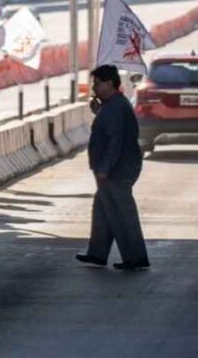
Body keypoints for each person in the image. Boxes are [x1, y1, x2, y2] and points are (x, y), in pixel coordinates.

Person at [76, 65, 149, 270]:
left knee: (121, 213)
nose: (95, 87)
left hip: (118, 169)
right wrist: (99, 111)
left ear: (109, 83)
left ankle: (136, 257)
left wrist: (105, 168)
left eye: (98, 83)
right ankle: (97, 253)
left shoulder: (116, 106)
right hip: (115, 167)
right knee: (103, 210)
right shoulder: (112, 105)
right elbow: (109, 127)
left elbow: (115, 140)